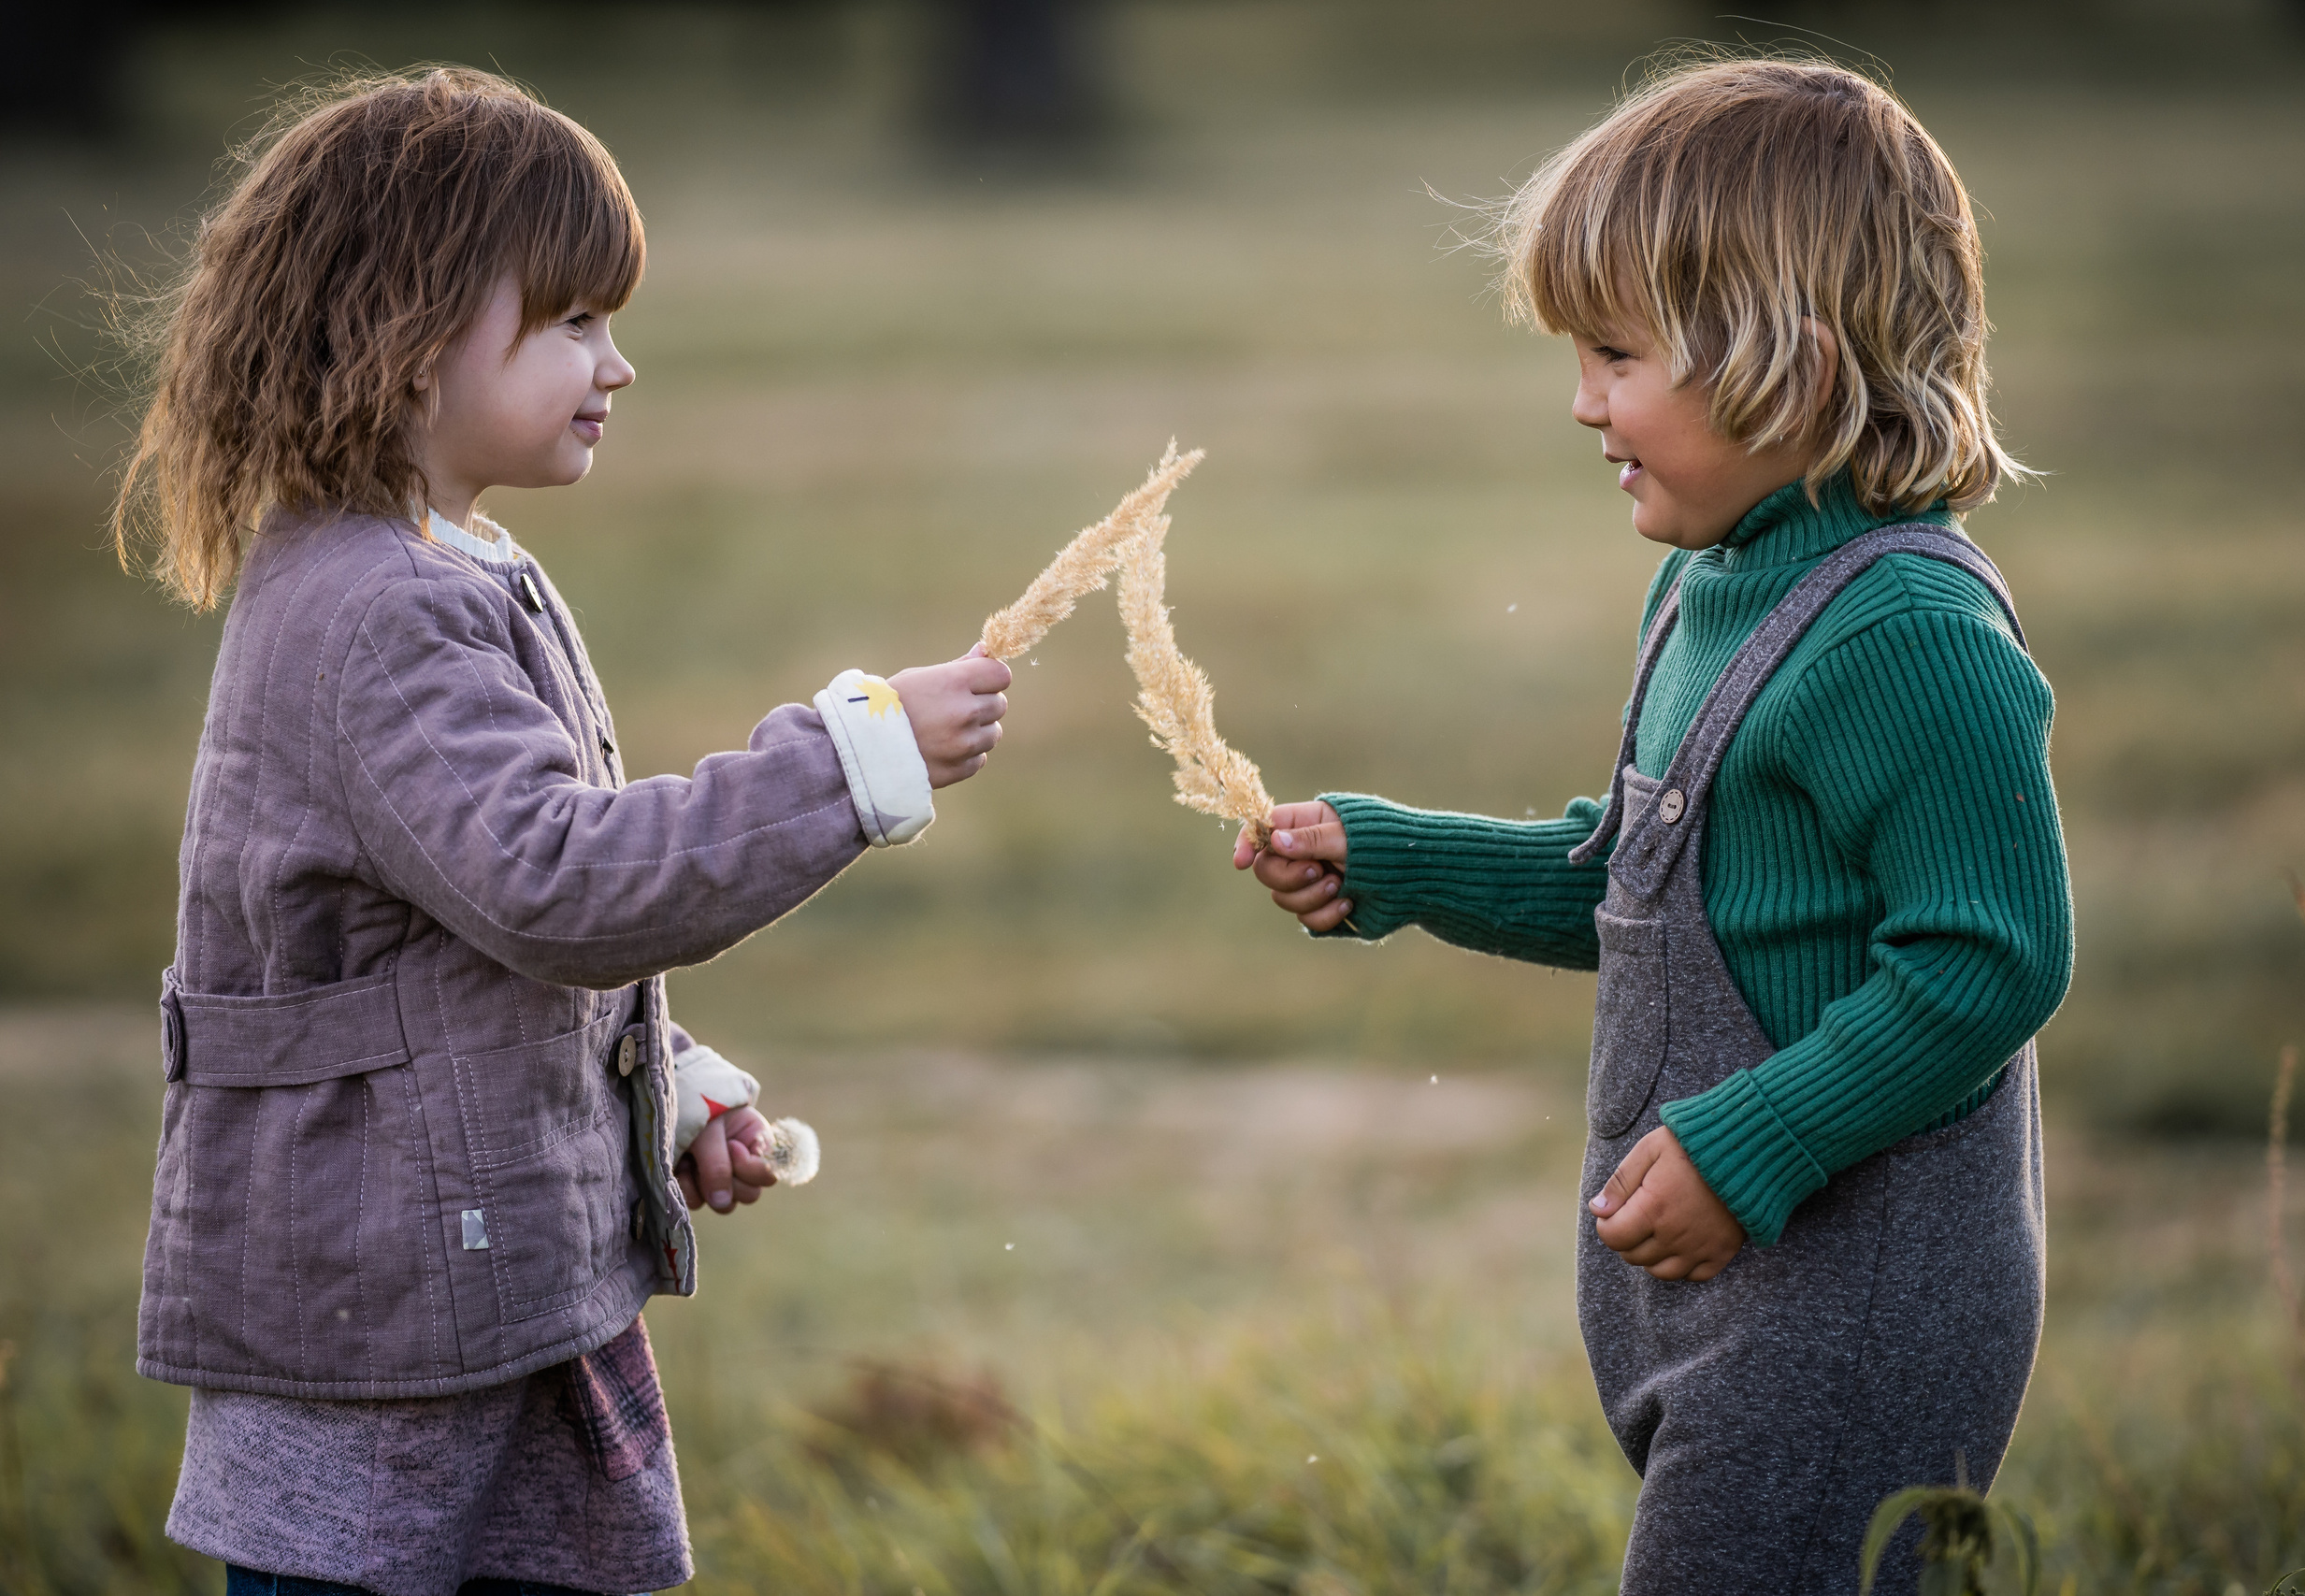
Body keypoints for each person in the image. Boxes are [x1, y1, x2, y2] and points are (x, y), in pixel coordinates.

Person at [114, 67, 1010, 1596]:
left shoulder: (452, 567)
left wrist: (656, 1090)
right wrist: (850, 761)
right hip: (380, 1359)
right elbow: (563, 886)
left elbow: (465, 938)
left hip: (469, 1294)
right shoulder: (375, 612)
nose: (621, 363)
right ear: (406, 340)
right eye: (575, 320)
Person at [1233, 55, 2071, 1594]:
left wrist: (1752, 1142)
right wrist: (1397, 859)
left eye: (1616, 356)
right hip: (1734, 1286)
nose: (1581, 403)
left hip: (1856, 1300)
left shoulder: (1909, 634)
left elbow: (1987, 963)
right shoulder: (1711, 580)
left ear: (1791, 367)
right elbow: (1647, 873)